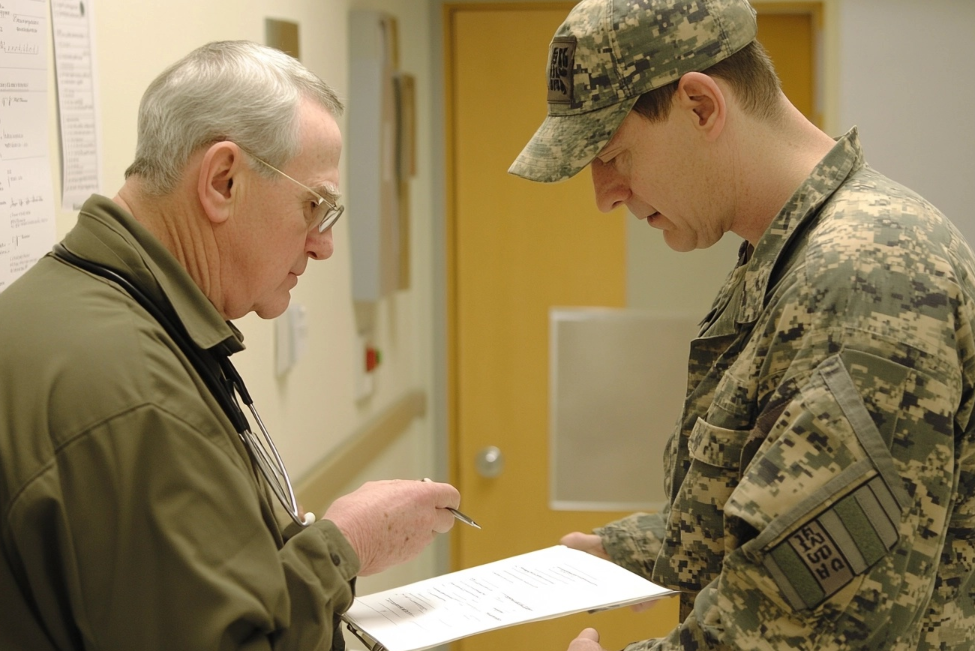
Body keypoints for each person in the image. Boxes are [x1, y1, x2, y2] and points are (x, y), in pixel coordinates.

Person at [509, 0, 975, 649]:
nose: (604, 194)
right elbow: (791, 509)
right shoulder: (789, 257)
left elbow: (814, 622)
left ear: (700, 106)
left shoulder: (861, 276)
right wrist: (635, 548)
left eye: (613, 154)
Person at [0, 41, 461, 650]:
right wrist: (344, 545)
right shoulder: (137, 397)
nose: (323, 246)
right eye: (316, 206)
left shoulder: (72, 305)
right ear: (223, 180)